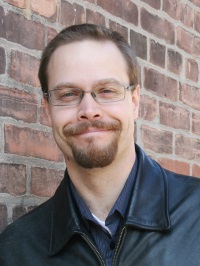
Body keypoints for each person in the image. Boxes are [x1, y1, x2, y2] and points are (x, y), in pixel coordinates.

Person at [0, 23, 200, 266]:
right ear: (48, 110)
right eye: (68, 94)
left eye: (106, 90)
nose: (89, 111)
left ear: (135, 101)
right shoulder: (15, 249)